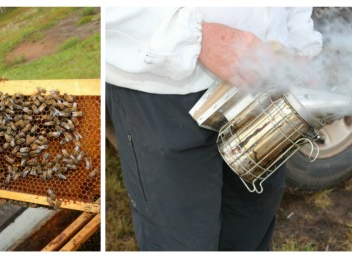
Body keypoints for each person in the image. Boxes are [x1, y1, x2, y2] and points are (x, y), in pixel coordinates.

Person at [105, 7, 323, 251]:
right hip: (165, 89)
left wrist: (300, 44)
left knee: (251, 225)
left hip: (263, 78)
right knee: (183, 243)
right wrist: (199, 37)